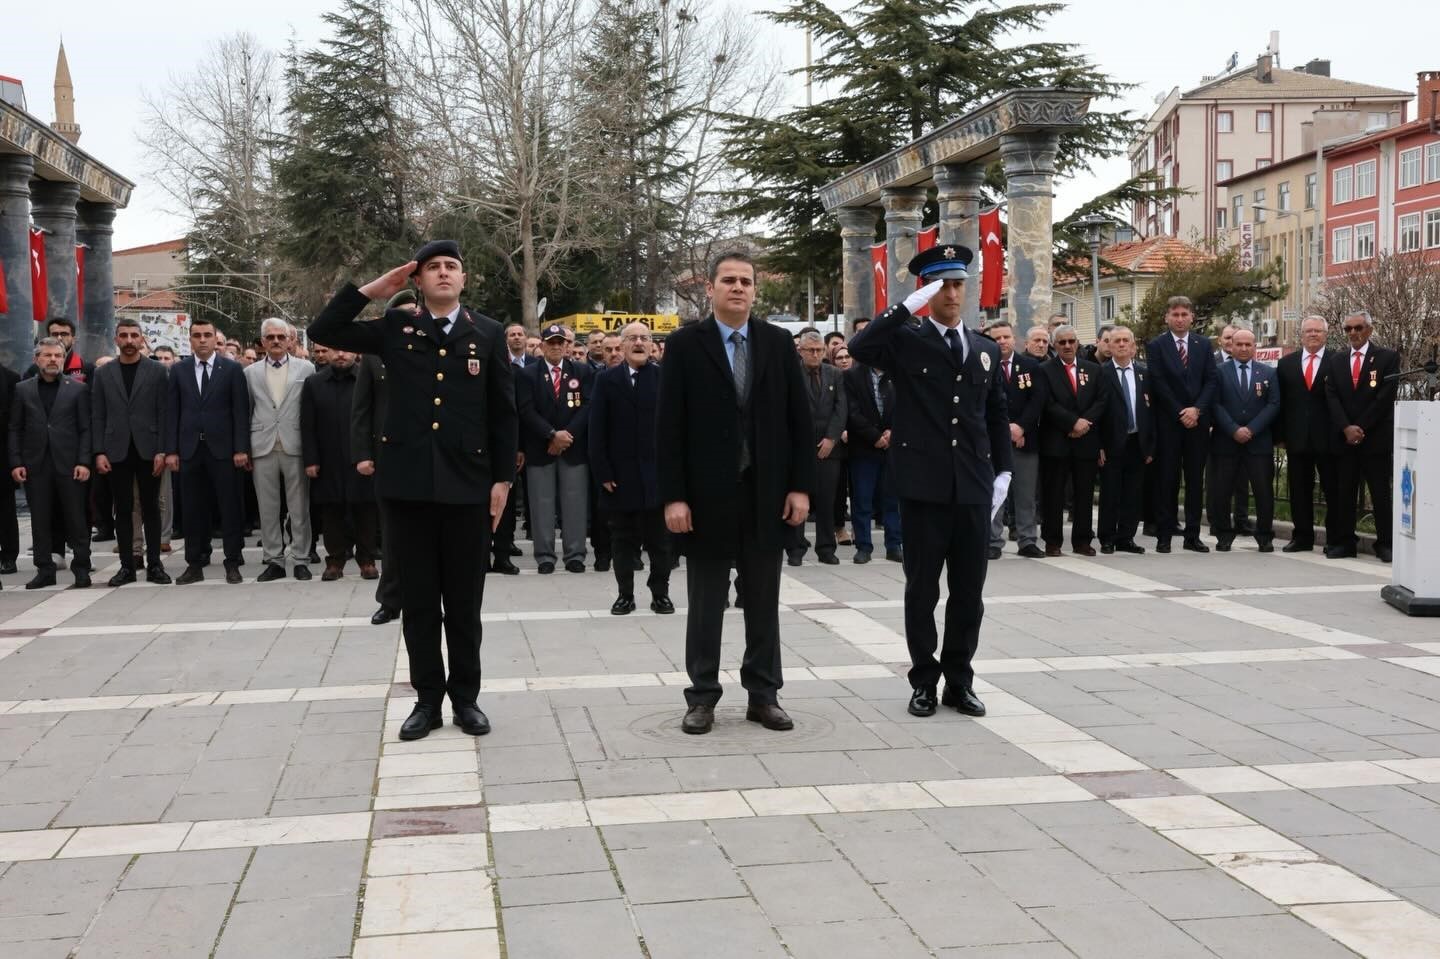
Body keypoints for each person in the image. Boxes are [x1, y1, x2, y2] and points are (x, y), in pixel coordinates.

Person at [308, 240, 517, 741]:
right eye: (433, 267)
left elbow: (502, 412)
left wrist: (502, 479)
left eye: (452, 266)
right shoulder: (396, 327)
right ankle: (427, 701)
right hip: (407, 486)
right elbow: (323, 331)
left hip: (468, 486)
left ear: (464, 279)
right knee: (419, 602)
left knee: (463, 604)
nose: (443, 273)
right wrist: (373, 290)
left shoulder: (487, 332)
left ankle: (466, 698)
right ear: (418, 280)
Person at [848, 243, 1011, 720]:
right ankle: (924, 680)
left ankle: (960, 681)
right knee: (922, 591)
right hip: (923, 486)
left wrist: (1003, 469)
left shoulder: (984, 348)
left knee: (969, 593)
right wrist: (903, 309)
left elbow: (995, 413)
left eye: (959, 284)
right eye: (943, 286)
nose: (953, 294)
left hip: (973, 486)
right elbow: (859, 348)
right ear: (927, 291)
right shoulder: (906, 339)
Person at [657, 251, 813, 735]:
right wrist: (674, 496)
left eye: (746, 281)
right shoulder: (685, 345)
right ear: (711, 288)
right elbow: (668, 426)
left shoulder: (777, 343)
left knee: (762, 602)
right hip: (705, 499)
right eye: (729, 280)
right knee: (706, 604)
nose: (738, 288)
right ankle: (702, 696)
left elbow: (799, 421)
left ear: (755, 289)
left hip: (767, 496)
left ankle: (764, 695)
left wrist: (800, 487)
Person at [588, 322, 673, 615]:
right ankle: (625, 594)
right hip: (619, 477)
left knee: (660, 542)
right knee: (622, 541)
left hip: (656, 477)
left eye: (644, 338)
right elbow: (596, 430)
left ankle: (660, 593)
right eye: (632, 338)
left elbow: (674, 429)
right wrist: (603, 472)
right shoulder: (606, 380)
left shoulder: (664, 378)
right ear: (622, 345)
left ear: (651, 345)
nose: (638, 343)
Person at [164, 318, 250, 584]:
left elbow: (240, 411)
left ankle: (232, 562)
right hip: (190, 451)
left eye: (207, 335)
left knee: (229, 507)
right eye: (197, 335)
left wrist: (241, 448)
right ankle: (195, 562)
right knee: (192, 509)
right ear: (190, 339)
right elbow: (172, 412)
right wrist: (171, 451)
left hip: (224, 450)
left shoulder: (232, 369)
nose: (202, 340)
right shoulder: (179, 370)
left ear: (215, 339)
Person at [91, 317, 171, 585]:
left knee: (151, 508)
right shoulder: (103, 373)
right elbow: (97, 414)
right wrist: (99, 452)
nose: (128, 340)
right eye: (123, 335)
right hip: (116, 450)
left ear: (141, 339)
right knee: (123, 509)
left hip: (149, 449)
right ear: (116, 339)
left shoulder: (157, 371)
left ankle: (155, 565)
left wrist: (163, 450)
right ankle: (127, 566)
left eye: (134, 335)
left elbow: (164, 412)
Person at [9, 338, 91, 589]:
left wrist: (84, 461)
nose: (53, 359)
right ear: (37, 359)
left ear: (64, 359)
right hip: (36, 465)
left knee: (76, 519)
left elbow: (85, 429)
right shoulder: (23, 389)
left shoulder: (77, 389)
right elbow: (15, 428)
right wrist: (16, 461)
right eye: (47, 355)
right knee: (40, 520)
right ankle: (44, 569)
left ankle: (81, 568)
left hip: (70, 464)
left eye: (58, 355)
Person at [516, 324, 593, 573]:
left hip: (573, 447)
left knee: (575, 503)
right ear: (542, 345)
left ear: (567, 345)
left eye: (561, 342)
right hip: (541, 448)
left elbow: (588, 406)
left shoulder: (581, 371)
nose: (557, 346)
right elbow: (526, 410)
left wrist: (566, 436)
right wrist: (551, 434)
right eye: (551, 342)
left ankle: (575, 555)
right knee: (542, 504)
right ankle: (545, 556)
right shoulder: (528, 374)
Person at [245, 318, 316, 581]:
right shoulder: (250, 373)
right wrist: (245, 448)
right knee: (267, 508)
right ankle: (273, 559)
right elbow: (247, 409)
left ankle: (301, 559)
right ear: (263, 341)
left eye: (280, 336)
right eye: (270, 337)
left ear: (290, 340)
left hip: (295, 444)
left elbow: (311, 409)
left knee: (299, 507)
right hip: (262, 445)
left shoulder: (306, 368)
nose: (276, 341)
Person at [1325, 311, 1399, 562]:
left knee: (1380, 494)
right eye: (1348, 329)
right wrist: (1346, 427)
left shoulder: (1387, 357)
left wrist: (1360, 427)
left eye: (1358, 327)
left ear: (1369, 329)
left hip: (1374, 439)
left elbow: (1384, 398)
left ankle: (1385, 543)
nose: (1353, 333)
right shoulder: (1337, 360)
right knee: (1344, 493)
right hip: (1345, 440)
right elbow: (1331, 396)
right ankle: (1346, 542)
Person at [351, 292, 406, 622]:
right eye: (401, 314)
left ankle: (427, 596)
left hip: (427, 454)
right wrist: (362, 453)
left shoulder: (435, 352)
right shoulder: (373, 357)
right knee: (392, 531)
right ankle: (390, 600)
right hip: (387, 455)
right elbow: (361, 409)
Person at [1146, 295, 1216, 553]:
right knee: (1168, 480)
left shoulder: (1203, 344)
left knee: (1195, 481)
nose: (1179, 319)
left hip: (1197, 423)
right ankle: (1164, 535)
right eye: (1175, 315)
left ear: (1192, 317)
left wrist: (1196, 410)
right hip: (1169, 423)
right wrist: (1180, 412)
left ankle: (1192, 536)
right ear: (1167, 317)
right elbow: (1158, 382)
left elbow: (1211, 380)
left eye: (1184, 314)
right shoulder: (1157, 345)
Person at [302, 348, 377, 579]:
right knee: (331, 511)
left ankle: (367, 560)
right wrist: (311, 459)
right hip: (328, 458)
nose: (341, 355)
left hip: (362, 456)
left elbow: (376, 417)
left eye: (346, 350)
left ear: (356, 353)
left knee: (365, 510)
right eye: (335, 350)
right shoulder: (314, 383)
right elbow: (307, 424)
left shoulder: (368, 379)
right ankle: (335, 561)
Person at [1036, 325, 1106, 556]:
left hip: (1086, 440)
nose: (1067, 346)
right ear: (1054, 345)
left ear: (1077, 343)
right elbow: (1047, 403)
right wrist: (1072, 423)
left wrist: (1084, 423)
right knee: (1053, 494)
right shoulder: (1044, 370)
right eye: (1062, 342)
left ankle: (1082, 540)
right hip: (1056, 441)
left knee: (1084, 494)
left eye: (1071, 341)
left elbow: (1101, 401)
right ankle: (1052, 541)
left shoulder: (1093, 369)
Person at [1209, 328, 1279, 552]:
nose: (1243, 348)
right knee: (1222, 491)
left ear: (1255, 347)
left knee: (1263, 492)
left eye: (1248, 344)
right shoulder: (1218, 371)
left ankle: (1265, 536)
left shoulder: (1268, 372)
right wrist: (1233, 430)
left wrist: (1251, 429)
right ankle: (1223, 535)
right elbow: (1214, 403)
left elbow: (1273, 404)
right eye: (1238, 344)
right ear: (1231, 346)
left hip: (1258, 443)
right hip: (1226, 442)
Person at [1276, 316, 1337, 552]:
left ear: (1326, 334)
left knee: (1333, 489)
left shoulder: (1337, 361)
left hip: (1329, 438)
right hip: (1296, 438)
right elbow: (1281, 402)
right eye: (1308, 331)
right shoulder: (1286, 364)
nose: (1313, 334)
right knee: (1299, 491)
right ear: (1301, 335)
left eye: (1318, 331)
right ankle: (1302, 537)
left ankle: (1334, 539)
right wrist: (1280, 435)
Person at [786, 331, 847, 566]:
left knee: (826, 501)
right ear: (800, 351)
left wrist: (832, 438)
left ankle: (826, 548)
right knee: (798, 497)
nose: (815, 354)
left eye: (819, 350)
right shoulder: (791, 373)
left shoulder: (834, 374)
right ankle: (795, 548)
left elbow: (841, 408)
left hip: (828, 449)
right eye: (810, 350)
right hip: (799, 448)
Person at [986, 320, 1044, 559]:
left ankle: (1027, 540)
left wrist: (1021, 428)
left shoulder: (1030, 366)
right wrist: (1006, 431)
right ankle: (992, 541)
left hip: (1025, 440)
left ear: (1015, 339)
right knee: (995, 493)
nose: (1002, 341)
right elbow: (982, 403)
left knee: (1025, 495)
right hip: (993, 442)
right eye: (997, 338)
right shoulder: (984, 365)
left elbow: (1037, 400)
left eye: (1006, 337)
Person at [1096, 326, 1153, 554]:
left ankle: (1126, 537)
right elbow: (1096, 411)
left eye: (1125, 341)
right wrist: (1098, 445)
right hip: (1111, 443)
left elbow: (1151, 411)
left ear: (1133, 346)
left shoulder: (1144, 374)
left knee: (1133, 493)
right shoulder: (1100, 373)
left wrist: (1150, 446)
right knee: (1110, 493)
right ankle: (1107, 538)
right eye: (1116, 341)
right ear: (1109, 346)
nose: (1121, 344)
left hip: (1137, 442)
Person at [844, 357, 901, 564]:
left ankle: (894, 545)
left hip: (892, 447)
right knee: (862, 500)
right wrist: (874, 436)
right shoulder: (853, 376)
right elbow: (852, 412)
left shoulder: (898, 373)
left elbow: (907, 406)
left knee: (892, 500)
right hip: (864, 446)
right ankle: (863, 546)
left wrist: (893, 431)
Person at [0, 361, 20, 574]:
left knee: (5, 509)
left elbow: (15, 423)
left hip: (3, 456)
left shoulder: (11, 378)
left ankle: (8, 556)